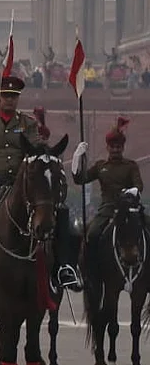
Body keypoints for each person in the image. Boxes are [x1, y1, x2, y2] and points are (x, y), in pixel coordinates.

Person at [0, 77, 78, 288]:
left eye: (14, 97)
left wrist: (51, 154)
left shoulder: (27, 123)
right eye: (6, 96)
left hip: (21, 184)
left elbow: (37, 149)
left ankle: (62, 266)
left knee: (60, 211)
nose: (10, 100)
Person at [72, 116, 143, 273]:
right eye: (113, 146)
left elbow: (139, 186)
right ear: (107, 147)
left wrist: (129, 193)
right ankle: (89, 270)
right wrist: (77, 158)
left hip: (129, 209)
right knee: (92, 234)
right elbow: (80, 179)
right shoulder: (100, 166)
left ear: (123, 148)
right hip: (108, 209)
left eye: (118, 147)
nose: (115, 150)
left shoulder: (131, 166)